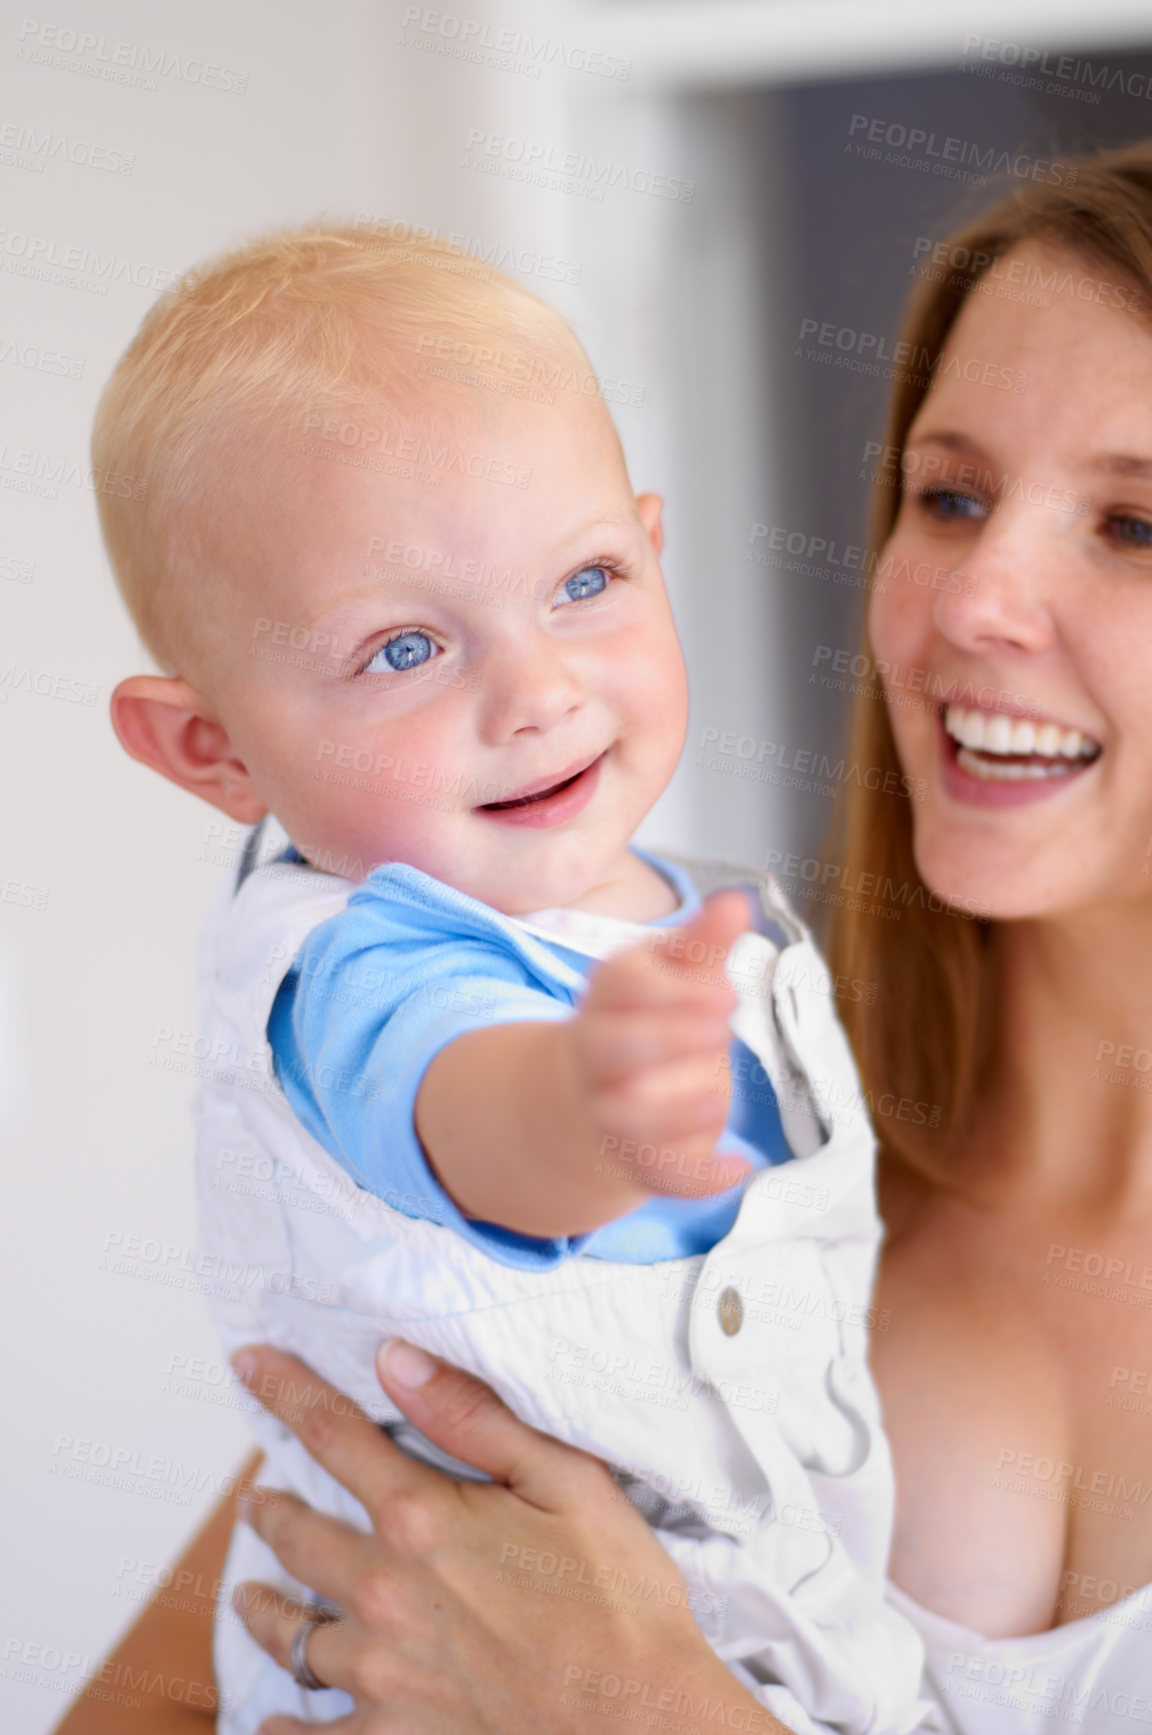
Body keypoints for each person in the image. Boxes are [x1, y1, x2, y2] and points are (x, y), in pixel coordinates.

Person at [56, 139, 1152, 1735]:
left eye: (1138, 526)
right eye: (950, 494)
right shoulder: (699, 1115)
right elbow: (188, 1676)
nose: (973, 593)